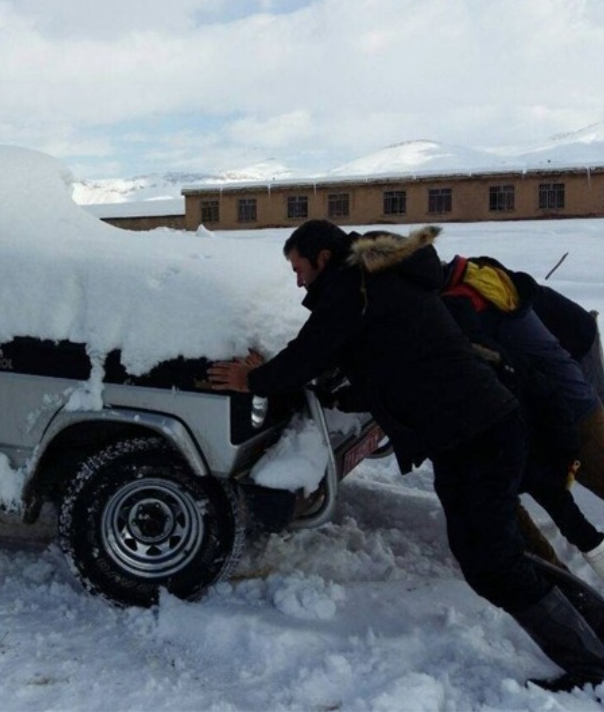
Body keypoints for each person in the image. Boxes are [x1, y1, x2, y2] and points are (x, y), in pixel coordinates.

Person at [208, 220, 604, 692]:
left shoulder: (352, 288)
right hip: (477, 432)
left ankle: (590, 663)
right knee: (492, 552)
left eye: (299, 268)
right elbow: (381, 361)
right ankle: (594, 632)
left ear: (324, 259)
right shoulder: (379, 281)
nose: (297, 281)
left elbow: (307, 353)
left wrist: (251, 381)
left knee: (490, 560)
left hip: (475, 438)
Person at [441, 253, 604, 578]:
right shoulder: (477, 279)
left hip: (565, 378)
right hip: (554, 377)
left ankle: (564, 582)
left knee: (581, 453)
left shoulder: (461, 304)